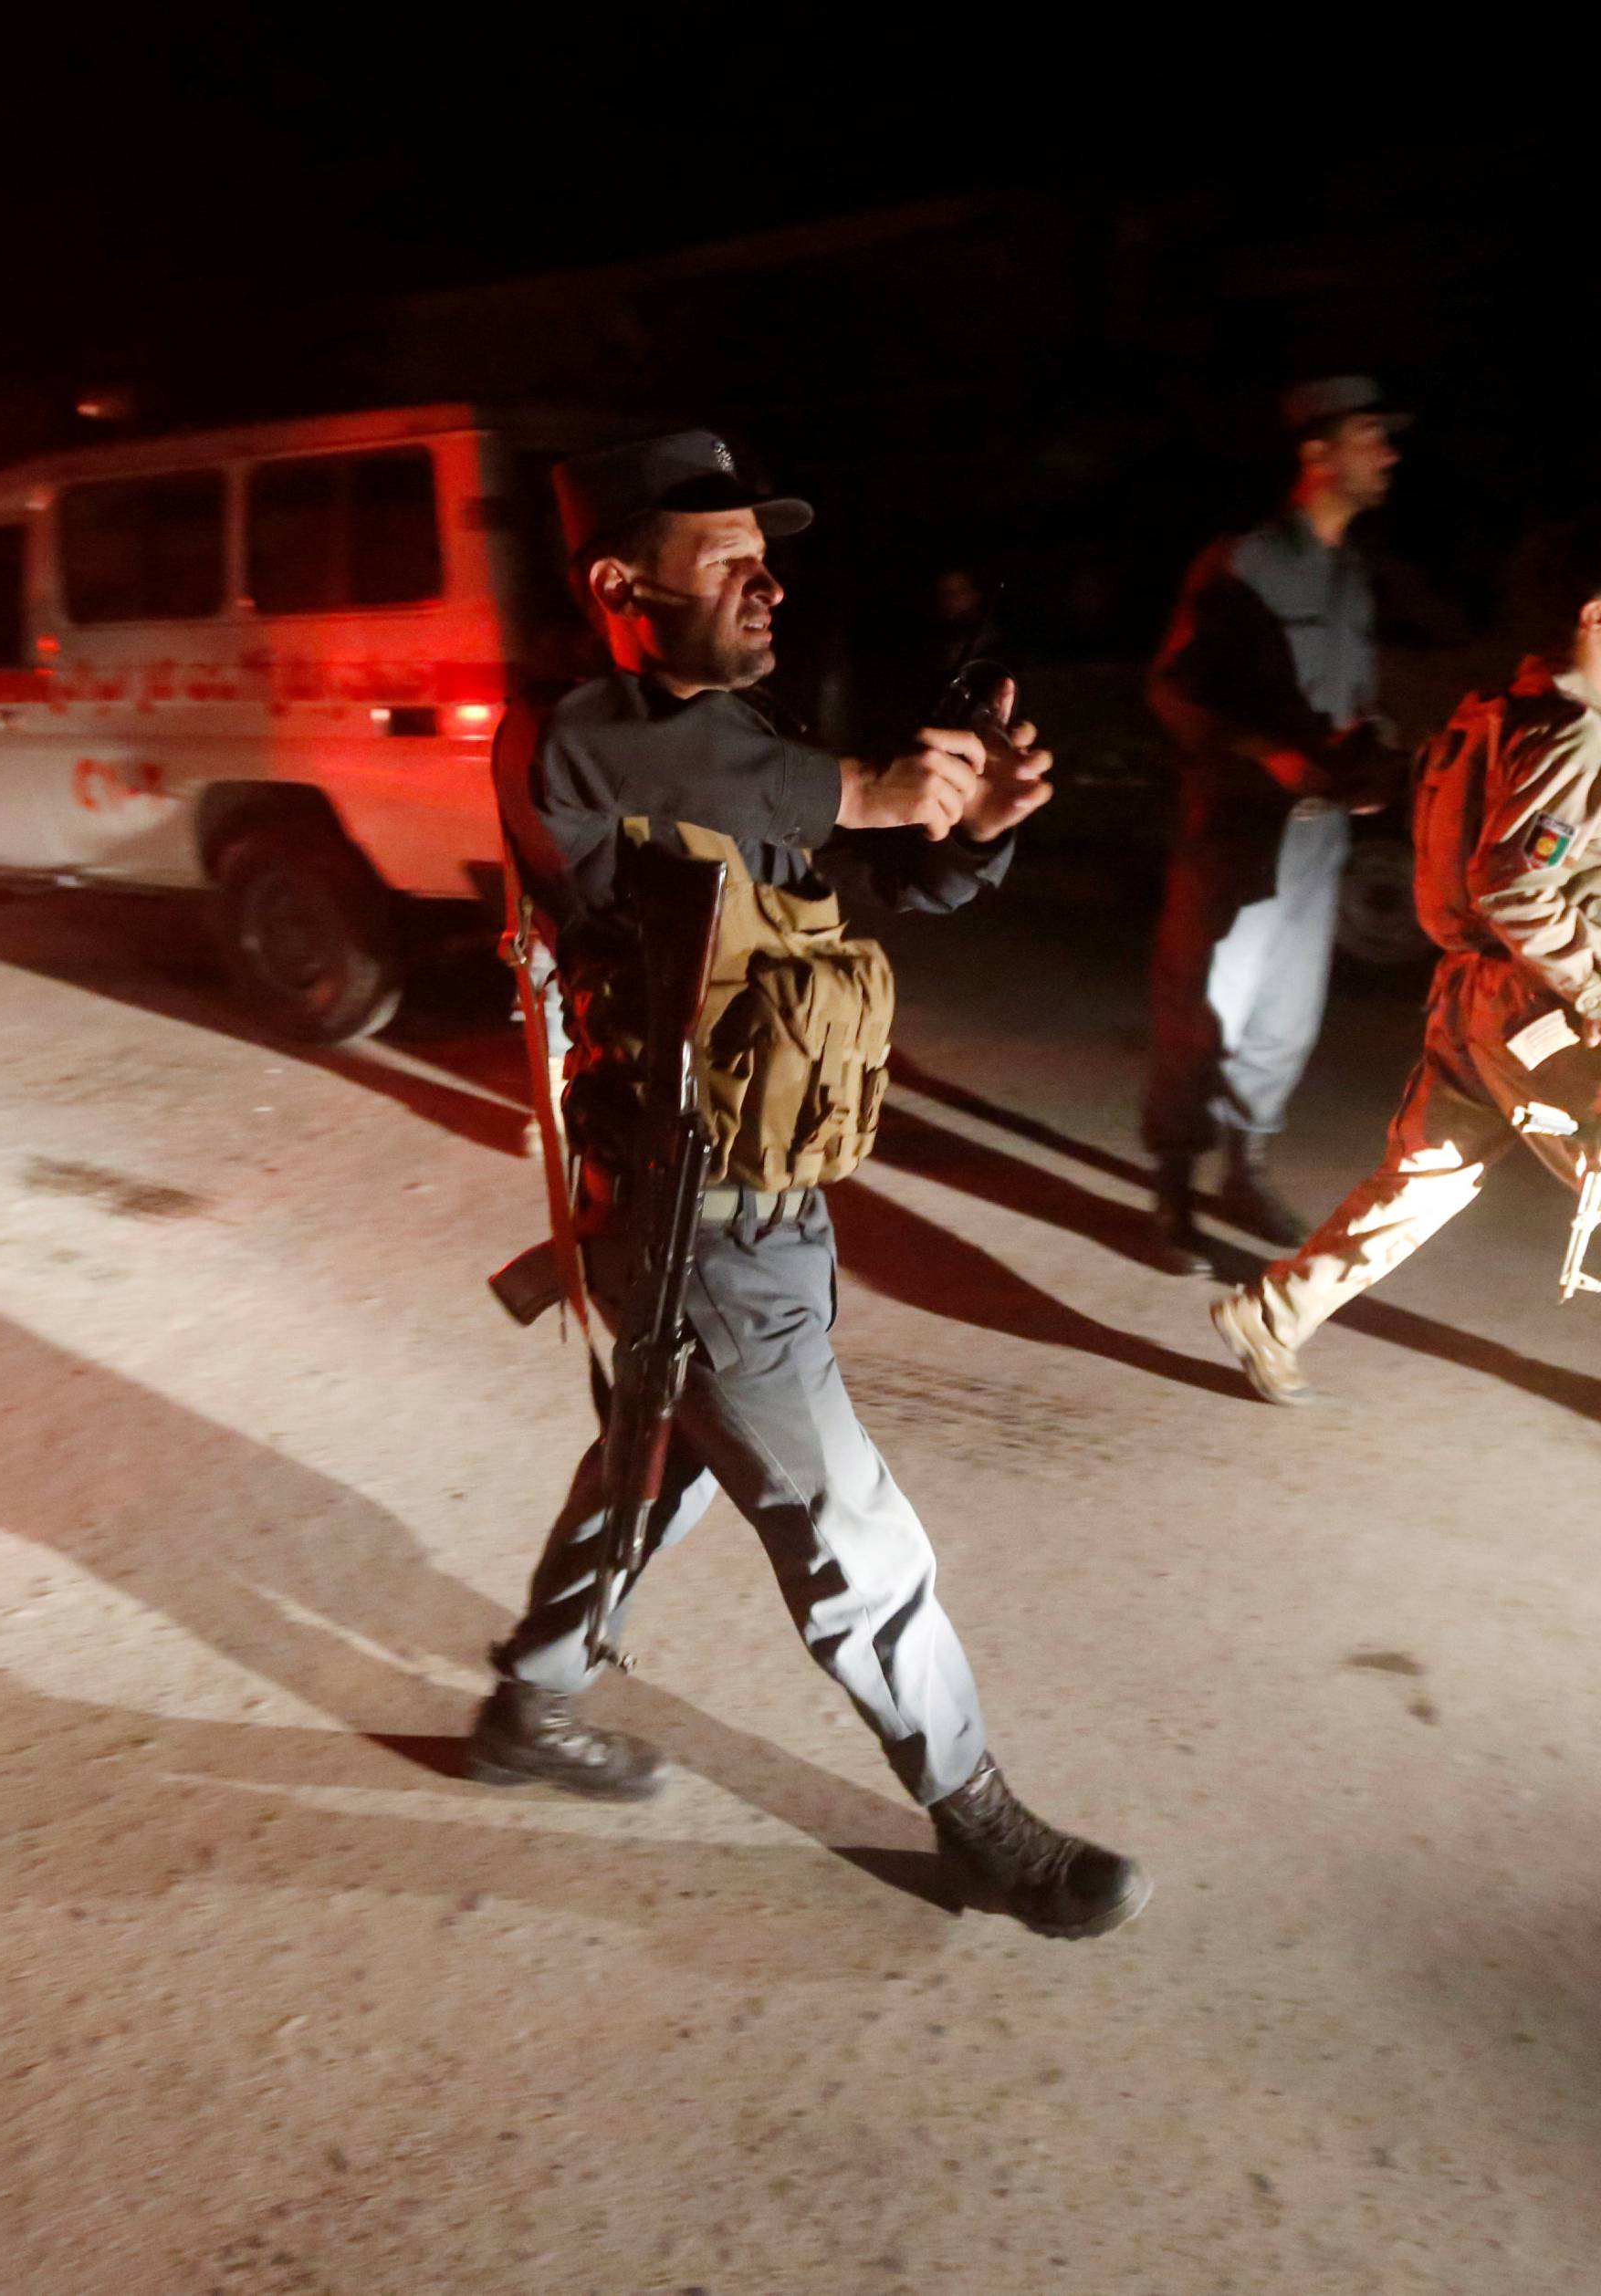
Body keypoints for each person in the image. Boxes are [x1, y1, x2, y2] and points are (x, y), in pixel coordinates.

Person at [468, 430, 1151, 1941]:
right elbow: (737, 779)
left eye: (768, 553)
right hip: (693, 1218)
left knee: (650, 1467)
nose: (769, 579)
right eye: (725, 556)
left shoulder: (747, 736)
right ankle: (978, 1812)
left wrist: (967, 831)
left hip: (765, 1196)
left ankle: (532, 1704)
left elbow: (867, 873)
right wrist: (871, 783)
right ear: (616, 583)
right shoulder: (570, 734)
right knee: (855, 1531)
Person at [1214, 558, 1601, 1402]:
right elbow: (1515, 883)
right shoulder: (1579, 730)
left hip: (1476, 994)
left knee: (1428, 1175)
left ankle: (1279, 1312)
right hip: (1543, 1007)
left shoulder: (1502, 707)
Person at [1143, 376, 1407, 1274]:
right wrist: (1269, 754)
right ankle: (1175, 1184)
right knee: (1204, 1007)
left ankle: (1243, 1169)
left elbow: (1354, 699)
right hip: (1239, 828)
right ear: (1318, 453)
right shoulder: (1245, 561)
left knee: (1286, 1016)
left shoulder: (1351, 575)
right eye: (1373, 435)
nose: (1389, 453)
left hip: (1319, 838)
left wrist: (1370, 757)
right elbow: (1176, 689)